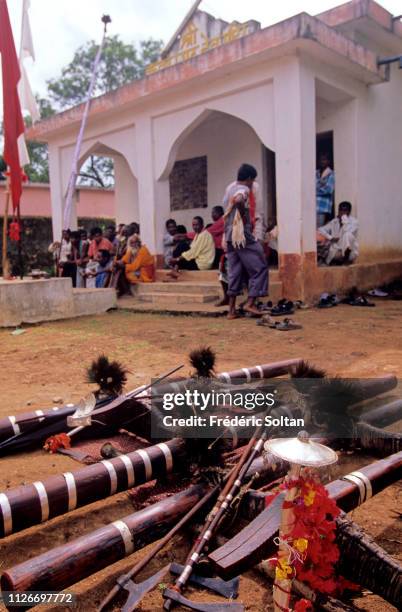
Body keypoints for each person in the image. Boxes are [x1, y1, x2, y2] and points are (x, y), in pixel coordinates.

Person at [223, 163, 268, 319]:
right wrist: (242, 212)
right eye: (252, 180)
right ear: (249, 178)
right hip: (241, 235)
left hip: (229, 235)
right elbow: (240, 199)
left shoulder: (229, 188)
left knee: (234, 272)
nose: (252, 183)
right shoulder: (245, 189)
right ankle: (250, 303)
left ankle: (231, 311)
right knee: (260, 266)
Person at [317, 201, 358, 265]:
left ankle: (345, 260)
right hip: (335, 249)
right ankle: (332, 261)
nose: (342, 212)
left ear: (349, 212)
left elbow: (347, 232)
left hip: (348, 251)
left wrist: (344, 222)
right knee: (320, 238)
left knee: (348, 235)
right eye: (340, 210)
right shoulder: (335, 221)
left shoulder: (354, 222)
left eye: (345, 210)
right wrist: (331, 238)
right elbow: (321, 229)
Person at [316, 153, 335, 227]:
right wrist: (320, 186)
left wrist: (313, 191)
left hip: (322, 207)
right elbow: (310, 186)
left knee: (319, 229)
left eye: (324, 160)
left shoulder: (331, 174)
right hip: (312, 206)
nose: (322, 162)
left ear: (328, 161)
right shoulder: (315, 173)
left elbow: (328, 189)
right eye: (320, 160)